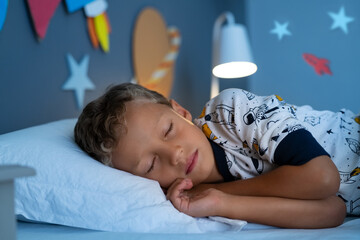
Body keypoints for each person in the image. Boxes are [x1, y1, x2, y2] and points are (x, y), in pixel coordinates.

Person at [74, 83, 360, 229]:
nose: (174, 154)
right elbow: (332, 210)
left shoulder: (229, 111)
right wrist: (221, 202)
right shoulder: (194, 197)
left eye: (169, 130)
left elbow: (323, 177)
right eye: (150, 165)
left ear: (181, 112)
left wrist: (220, 191)